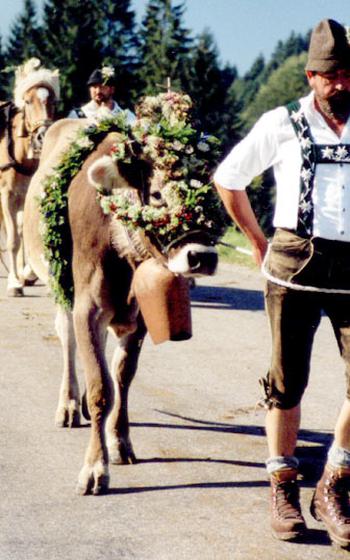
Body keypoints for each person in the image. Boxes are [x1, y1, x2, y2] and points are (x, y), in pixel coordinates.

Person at [214, 19, 350, 548]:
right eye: (331, 75)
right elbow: (230, 179)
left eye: (347, 74)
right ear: (311, 75)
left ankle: (334, 481)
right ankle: (283, 485)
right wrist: (255, 240)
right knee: (287, 382)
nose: (341, 84)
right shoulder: (282, 122)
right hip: (293, 263)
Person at [68, 66, 135, 123]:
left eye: (102, 87)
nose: (98, 91)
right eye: (94, 87)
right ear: (89, 89)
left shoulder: (127, 116)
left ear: (112, 89)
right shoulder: (76, 116)